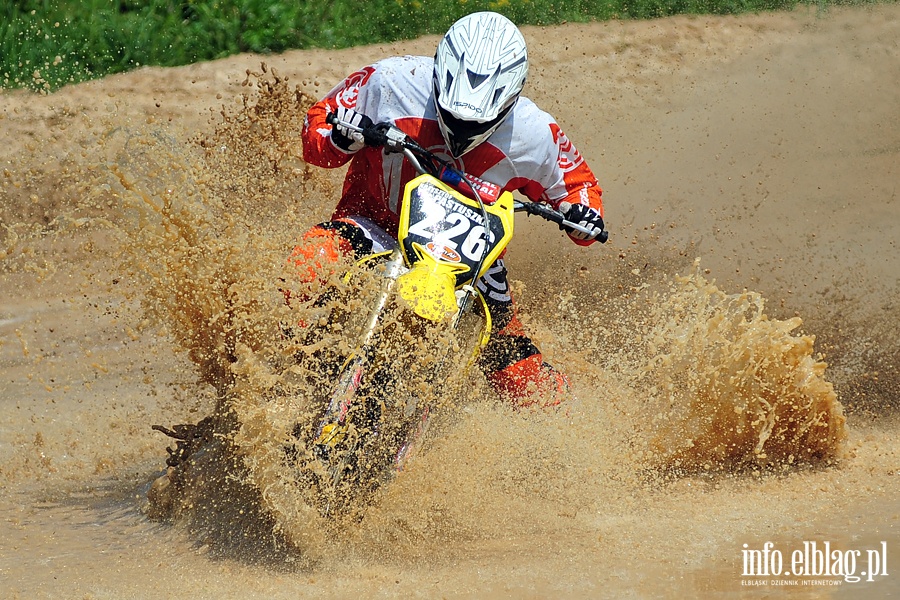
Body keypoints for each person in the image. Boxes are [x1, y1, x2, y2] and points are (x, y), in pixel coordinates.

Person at [292, 11, 606, 408]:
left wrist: (583, 219)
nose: (459, 131)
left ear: (510, 100)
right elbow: (316, 128)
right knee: (310, 260)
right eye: (453, 116)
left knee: (524, 383)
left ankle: (585, 419)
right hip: (372, 225)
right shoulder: (389, 81)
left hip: (470, 263)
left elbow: (580, 186)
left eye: (474, 123)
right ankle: (280, 377)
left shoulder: (536, 134)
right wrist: (340, 136)